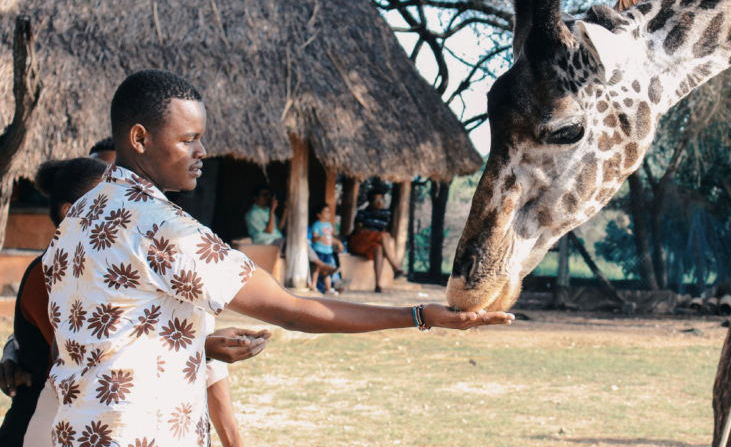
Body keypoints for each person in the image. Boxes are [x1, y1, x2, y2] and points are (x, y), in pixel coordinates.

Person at [42, 69, 512, 445]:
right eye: (188, 139)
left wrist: (192, 344)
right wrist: (419, 315)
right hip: (144, 433)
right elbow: (293, 309)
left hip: (79, 429)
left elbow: (112, 332)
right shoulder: (160, 226)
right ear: (140, 139)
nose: (203, 150)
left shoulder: (80, 217)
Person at [0, 158, 268, 447]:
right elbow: (85, 354)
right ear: (70, 211)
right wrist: (202, 345)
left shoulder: (129, 260)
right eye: (103, 197)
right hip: (40, 430)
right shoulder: (56, 271)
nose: (119, 203)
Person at [348, 189, 405, 292]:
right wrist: (374, 233)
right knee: (384, 235)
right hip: (359, 242)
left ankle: (378, 285)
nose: (379, 202)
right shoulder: (363, 213)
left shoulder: (386, 214)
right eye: (376, 200)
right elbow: (358, 229)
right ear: (370, 202)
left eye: (381, 199)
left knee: (379, 248)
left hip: (372, 244)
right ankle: (395, 266)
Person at [310, 202, 342, 294]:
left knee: (326, 270)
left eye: (329, 212)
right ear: (319, 215)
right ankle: (313, 286)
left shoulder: (329, 225)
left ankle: (328, 288)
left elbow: (330, 237)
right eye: (326, 212)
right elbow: (314, 238)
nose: (328, 214)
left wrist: (338, 242)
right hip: (319, 251)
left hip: (328, 251)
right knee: (316, 268)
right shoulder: (317, 225)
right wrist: (320, 237)